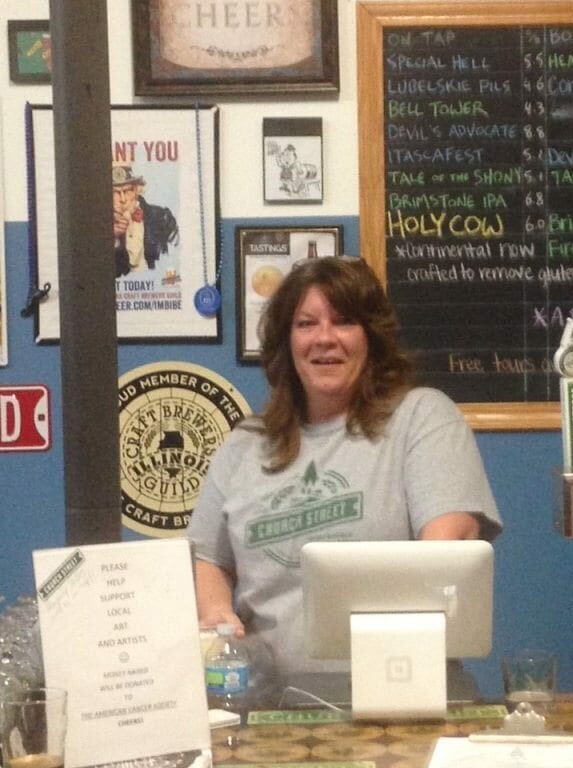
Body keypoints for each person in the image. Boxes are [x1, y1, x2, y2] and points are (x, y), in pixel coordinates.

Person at [186, 256, 502, 678]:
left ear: (371, 337)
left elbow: (446, 555)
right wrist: (218, 618)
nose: (324, 338)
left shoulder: (421, 417)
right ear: (287, 341)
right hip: (271, 706)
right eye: (306, 324)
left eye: (344, 321)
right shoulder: (245, 443)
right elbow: (207, 558)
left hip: (402, 691)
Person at [112, 164, 179, 278]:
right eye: (116, 192)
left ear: (136, 190)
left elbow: (182, 253)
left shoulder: (162, 217)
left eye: (127, 191)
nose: (123, 199)